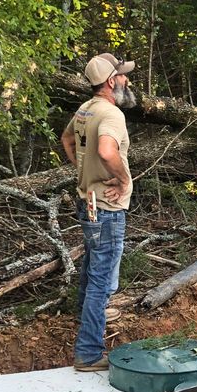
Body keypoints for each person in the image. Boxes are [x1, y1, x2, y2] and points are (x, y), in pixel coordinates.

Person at [60, 52, 137, 371]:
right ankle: (88, 353)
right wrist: (121, 178)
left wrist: (84, 173)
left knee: (93, 263)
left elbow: (66, 140)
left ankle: (87, 311)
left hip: (87, 200)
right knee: (102, 280)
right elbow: (107, 151)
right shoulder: (110, 114)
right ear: (110, 82)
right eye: (122, 75)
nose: (127, 80)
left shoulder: (85, 110)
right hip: (106, 207)